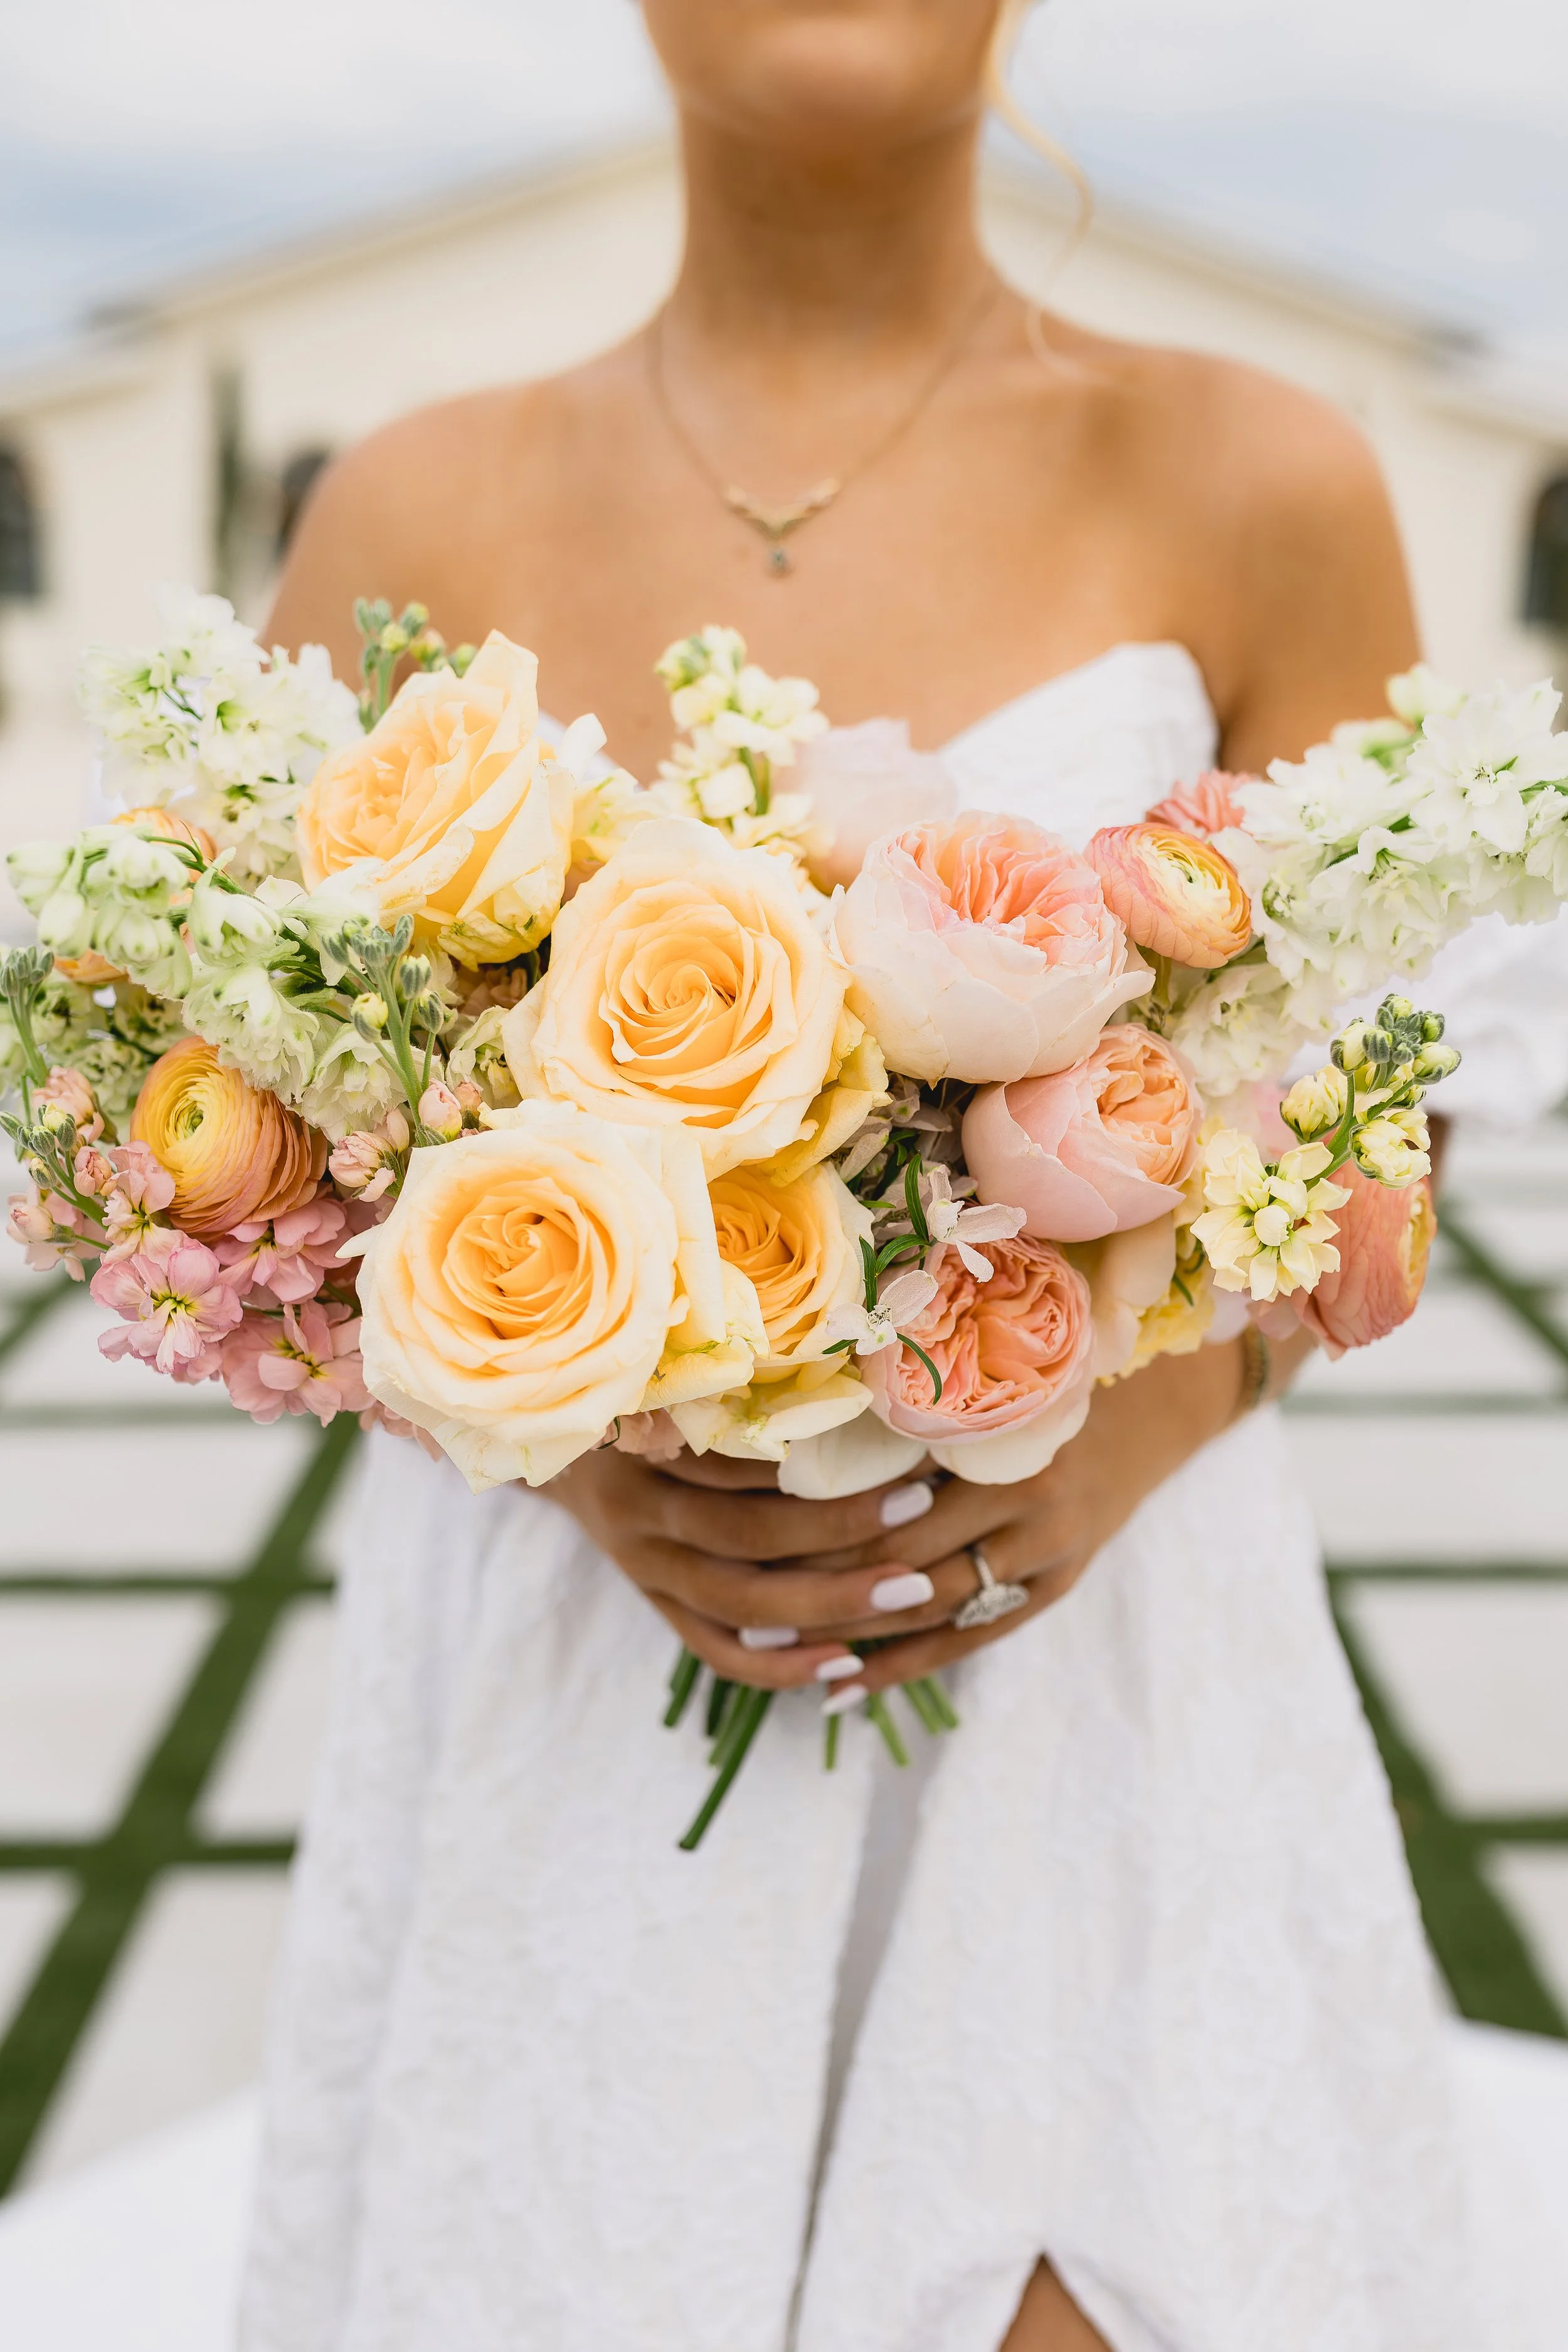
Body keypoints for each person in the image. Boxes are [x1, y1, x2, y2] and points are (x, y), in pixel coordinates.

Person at [241, 5, 1474, 2346]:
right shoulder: (403, 510)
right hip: (582, 1683)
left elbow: (1382, 1117)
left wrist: (1135, 1421)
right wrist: (563, 1435)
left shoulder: (1260, 475)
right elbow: (278, 1185)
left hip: (1088, 1674)